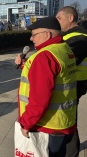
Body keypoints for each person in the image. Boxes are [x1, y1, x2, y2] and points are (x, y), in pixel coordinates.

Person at [15, 16, 77, 157]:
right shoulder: (63, 49)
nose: (31, 39)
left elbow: (39, 100)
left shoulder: (44, 57)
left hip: (47, 126)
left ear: (47, 34)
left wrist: (26, 124)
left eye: (34, 35)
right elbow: (54, 76)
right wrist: (25, 64)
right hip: (63, 121)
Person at [56, 6, 87, 157]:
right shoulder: (70, 35)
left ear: (71, 18)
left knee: (68, 119)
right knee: (69, 117)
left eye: (59, 18)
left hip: (75, 83)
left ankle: (71, 152)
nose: (57, 22)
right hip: (73, 82)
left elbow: (66, 60)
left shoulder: (80, 37)